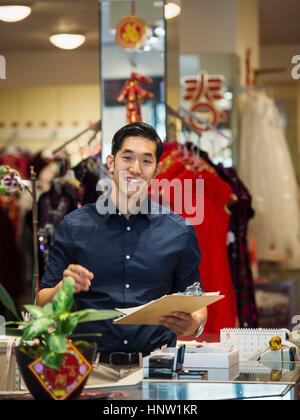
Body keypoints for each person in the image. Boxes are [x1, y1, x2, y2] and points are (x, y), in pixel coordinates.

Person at [38, 122, 207, 384]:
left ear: (156, 169)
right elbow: (42, 303)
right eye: (127, 158)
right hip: (88, 370)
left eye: (146, 161)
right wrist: (64, 286)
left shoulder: (179, 232)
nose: (135, 169)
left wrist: (195, 324)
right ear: (110, 162)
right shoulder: (73, 226)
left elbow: (195, 296)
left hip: (158, 370)